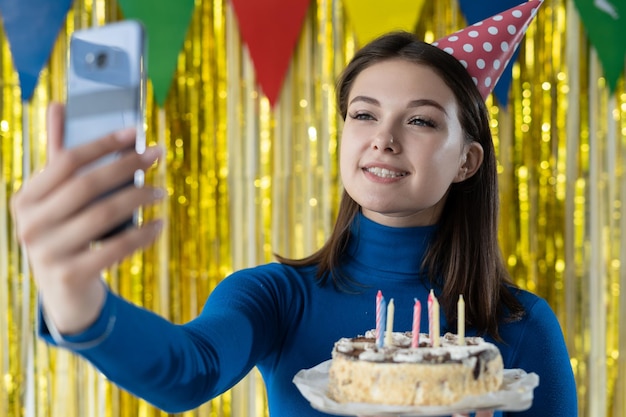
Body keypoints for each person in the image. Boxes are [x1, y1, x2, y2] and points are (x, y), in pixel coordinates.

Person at [11, 2, 577, 416]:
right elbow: (188, 372)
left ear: (467, 162)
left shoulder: (521, 328)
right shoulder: (275, 296)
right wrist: (78, 304)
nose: (383, 138)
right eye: (363, 114)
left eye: (421, 120)